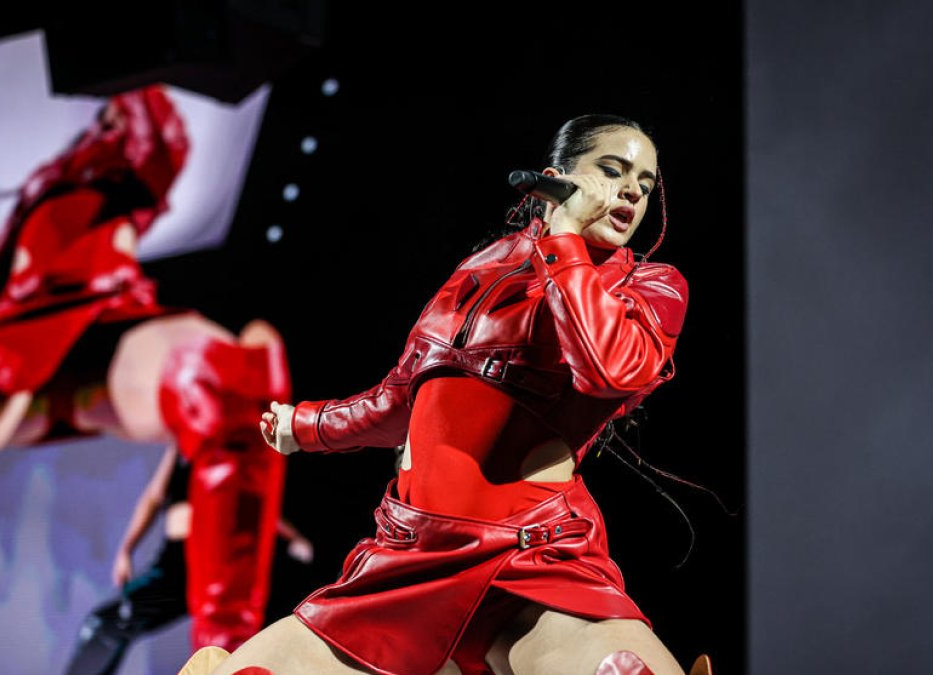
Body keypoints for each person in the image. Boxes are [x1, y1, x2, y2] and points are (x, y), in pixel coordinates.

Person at [205, 114, 698, 675]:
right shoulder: (479, 267)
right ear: (555, 176)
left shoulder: (651, 286)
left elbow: (608, 370)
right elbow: (405, 397)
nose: (632, 190)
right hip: (407, 556)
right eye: (613, 170)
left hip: (535, 563)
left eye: (646, 183)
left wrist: (565, 242)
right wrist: (309, 426)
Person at [0, 84, 292, 674]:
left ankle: (232, 665)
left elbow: (162, 148)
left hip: (107, 318)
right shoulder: (39, 188)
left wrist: (133, 82)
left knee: (227, 376)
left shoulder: (134, 159)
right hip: (12, 336)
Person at [64, 445, 314, 675]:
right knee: (105, 624)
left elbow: (258, 503)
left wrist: (293, 539)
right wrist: (126, 550)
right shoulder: (183, 441)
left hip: (218, 563)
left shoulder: (237, 441)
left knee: (231, 644)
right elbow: (154, 496)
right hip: (176, 565)